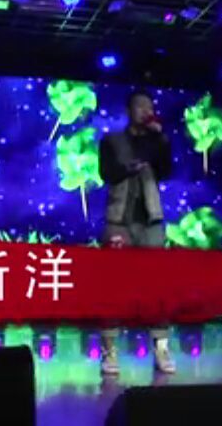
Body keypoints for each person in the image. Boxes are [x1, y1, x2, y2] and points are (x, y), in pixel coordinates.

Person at [97, 90, 175, 376]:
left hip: (151, 222)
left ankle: (161, 349)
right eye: (140, 106)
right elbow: (106, 173)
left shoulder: (157, 140)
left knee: (158, 288)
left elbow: (165, 171)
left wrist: (160, 139)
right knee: (112, 288)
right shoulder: (112, 141)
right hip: (119, 221)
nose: (145, 110)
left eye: (149, 106)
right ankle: (109, 352)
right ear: (129, 110)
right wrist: (128, 167)